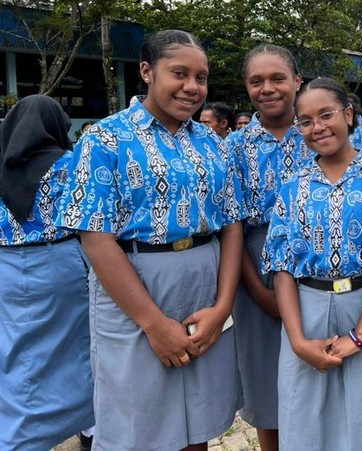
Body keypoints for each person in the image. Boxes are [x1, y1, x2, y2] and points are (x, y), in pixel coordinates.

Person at [55, 30, 244, 451]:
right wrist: (154, 325)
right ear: (147, 71)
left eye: (201, 77)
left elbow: (231, 223)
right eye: (179, 73)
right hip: (135, 287)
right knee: (140, 422)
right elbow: (95, 237)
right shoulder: (105, 139)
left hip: (204, 282)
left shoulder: (212, 142)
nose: (192, 87)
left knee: (200, 415)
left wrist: (223, 305)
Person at [265, 76, 362, 451]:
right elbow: (281, 265)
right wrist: (298, 341)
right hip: (306, 309)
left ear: (348, 114)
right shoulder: (294, 184)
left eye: (326, 115)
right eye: (305, 121)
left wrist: (360, 334)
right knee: (303, 420)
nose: (317, 127)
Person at [226, 43, 309, 451]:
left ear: (297, 80)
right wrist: (258, 292)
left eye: (278, 78)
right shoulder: (233, 148)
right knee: (264, 378)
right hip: (253, 266)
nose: (268, 88)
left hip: (317, 267)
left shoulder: (321, 133)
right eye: (256, 81)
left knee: (315, 373)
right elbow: (232, 228)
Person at [0, 95, 93, 450]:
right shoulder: (69, 166)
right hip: (61, 264)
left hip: (5, 270)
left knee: (14, 351)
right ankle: (87, 424)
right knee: (74, 349)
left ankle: (16, 432)